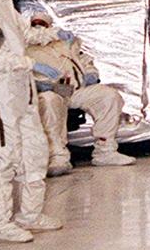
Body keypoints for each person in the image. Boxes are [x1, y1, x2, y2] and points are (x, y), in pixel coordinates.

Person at [0, 0, 62, 242]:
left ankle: (29, 214)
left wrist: (45, 33)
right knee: (2, 157)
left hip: (22, 93)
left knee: (34, 151)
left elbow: (20, 35)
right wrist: (25, 63)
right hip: (0, 96)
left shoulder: (6, 5)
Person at [27, 12, 134, 176]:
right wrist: (38, 84)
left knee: (108, 95)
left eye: (43, 23)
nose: (40, 26)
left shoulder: (64, 44)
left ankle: (105, 150)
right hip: (48, 90)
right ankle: (57, 156)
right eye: (36, 23)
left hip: (73, 90)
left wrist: (91, 74)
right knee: (48, 102)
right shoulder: (25, 46)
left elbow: (84, 60)